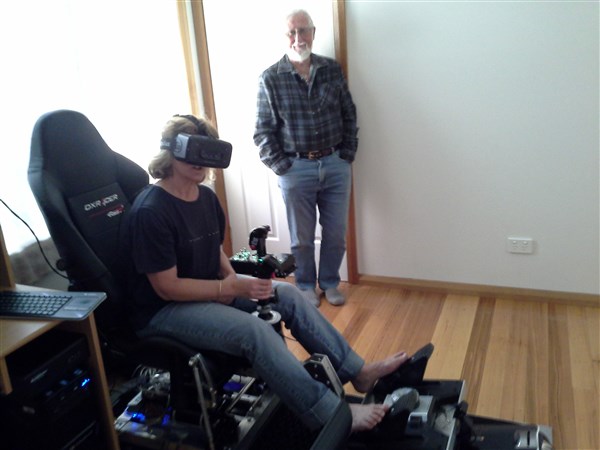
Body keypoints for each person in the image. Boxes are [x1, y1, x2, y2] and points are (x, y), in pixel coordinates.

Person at [124, 114, 409, 434]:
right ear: (170, 151)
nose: (200, 161)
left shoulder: (205, 198)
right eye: (192, 150)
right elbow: (167, 287)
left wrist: (232, 280)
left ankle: (358, 372)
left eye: (207, 152)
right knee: (254, 332)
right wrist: (227, 289)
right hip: (163, 311)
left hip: (205, 292)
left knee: (286, 293)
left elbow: (213, 249)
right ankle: (330, 414)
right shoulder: (151, 210)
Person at [254, 9, 358, 307]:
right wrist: (283, 168)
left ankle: (330, 283)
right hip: (295, 168)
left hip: (335, 164)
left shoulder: (331, 70)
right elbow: (262, 132)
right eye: (292, 32)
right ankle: (304, 285)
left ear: (313, 33)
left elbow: (348, 113)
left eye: (303, 30)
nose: (298, 38)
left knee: (336, 234)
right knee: (301, 238)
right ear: (285, 37)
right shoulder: (270, 78)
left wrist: (347, 154)